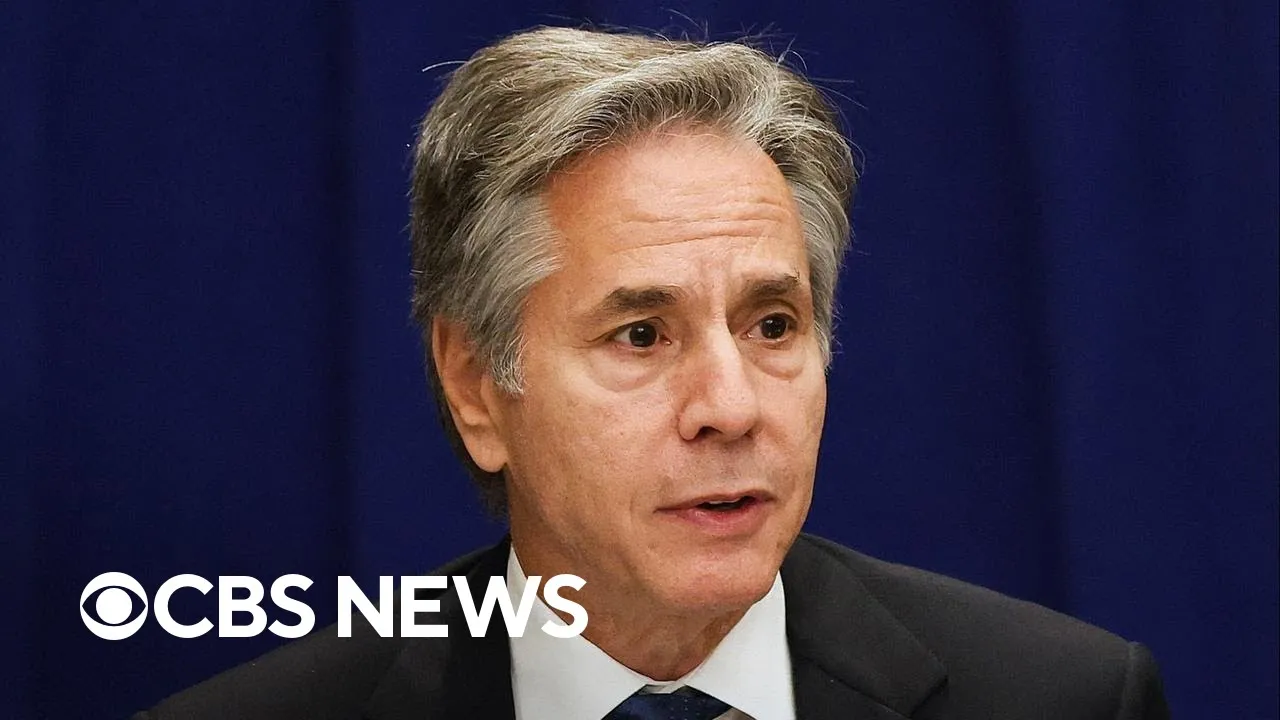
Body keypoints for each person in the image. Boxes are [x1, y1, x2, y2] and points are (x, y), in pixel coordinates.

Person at [135, 26, 1169, 720]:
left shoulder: (1063, 700)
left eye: (772, 325)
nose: (730, 407)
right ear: (475, 386)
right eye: (640, 336)